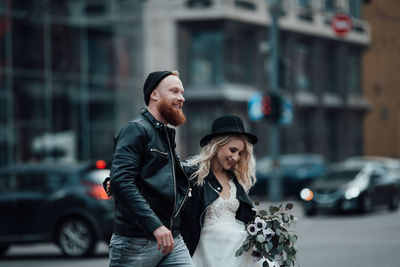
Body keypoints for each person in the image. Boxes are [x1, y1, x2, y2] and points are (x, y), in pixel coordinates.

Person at [107, 70, 193, 267]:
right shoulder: (136, 129)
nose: (182, 98)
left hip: (171, 238)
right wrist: (156, 227)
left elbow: (169, 176)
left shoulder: (164, 135)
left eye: (182, 92)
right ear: (154, 94)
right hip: (136, 242)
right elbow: (122, 180)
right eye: (174, 91)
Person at [181, 115, 273, 267]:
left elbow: (248, 218)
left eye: (240, 153)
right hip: (207, 246)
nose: (236, 157)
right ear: (217, 145)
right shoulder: (193, 174)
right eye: (233, 150)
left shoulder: (236, 180)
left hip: (235, 244)